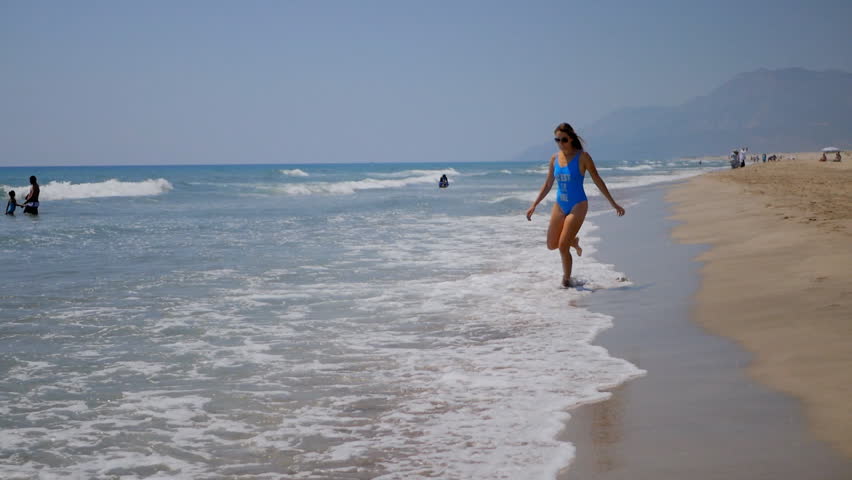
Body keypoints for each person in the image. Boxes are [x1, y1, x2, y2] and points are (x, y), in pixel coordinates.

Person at [526, 123, 625, 288]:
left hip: (578, 204)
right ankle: (573, 240)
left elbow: (597, 180)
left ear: (571, 139)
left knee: (562, 246)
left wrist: (613, 203)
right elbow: (548, 183)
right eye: (557, 140)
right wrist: (534, 205)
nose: (560, 143)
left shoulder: (583, 157)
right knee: (552, 244)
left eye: (563, 139)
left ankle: (566, 280)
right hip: (560, 204)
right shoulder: (554, 158)